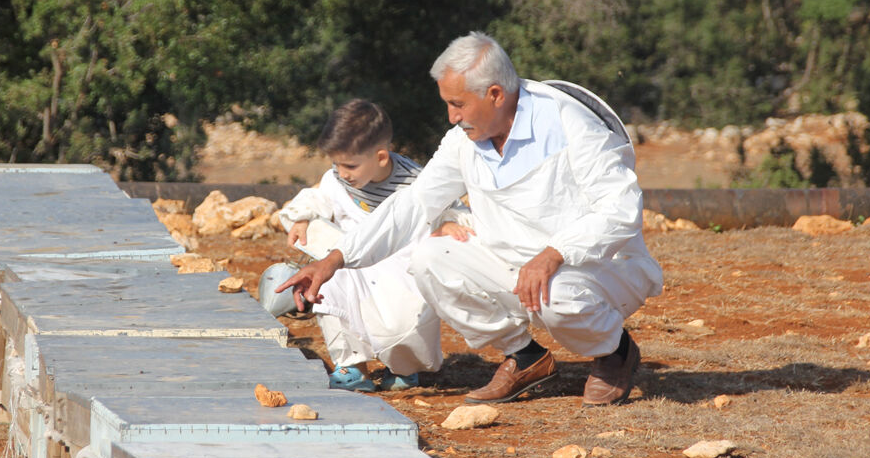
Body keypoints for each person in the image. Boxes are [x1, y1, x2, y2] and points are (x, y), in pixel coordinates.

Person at [278, 33, 663, 405]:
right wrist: (335, 259)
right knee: (429, 258)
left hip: (594, 267)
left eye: (458, 104)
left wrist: (554, 253)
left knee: (557, 294)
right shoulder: (464, 140)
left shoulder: (569, 124)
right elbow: (414, 203)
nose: (452, 116)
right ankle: (526, 358)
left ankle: (615, 352)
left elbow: (620, 209)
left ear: (495, 94)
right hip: (512, 262)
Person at [277, 99, 469, 392]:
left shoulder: (416, 182)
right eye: (336, 164)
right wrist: (302, 218)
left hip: (399, 264)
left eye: (350, 165)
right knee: (329, 290)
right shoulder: (339, 180)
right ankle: (351, 366)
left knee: (403, 319)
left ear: (381, 157)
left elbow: (447, 206)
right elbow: (319, 197)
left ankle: (406, 368)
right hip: (348, 265)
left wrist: (448, 222)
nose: (342, 173)